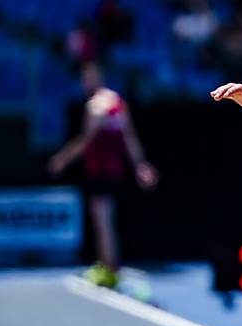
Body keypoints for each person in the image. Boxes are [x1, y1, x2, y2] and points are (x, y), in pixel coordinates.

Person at [48, 63, 159, 288]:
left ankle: (109, 270)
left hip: (100, 172)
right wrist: (140, 165)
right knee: (107, 219)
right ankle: (110, 265)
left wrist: (62, 159)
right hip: (114, 172)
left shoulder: (94, 106)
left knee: (102, 221)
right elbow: (130, 139)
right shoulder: (118, 103)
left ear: (94, 78)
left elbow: (85, 141)